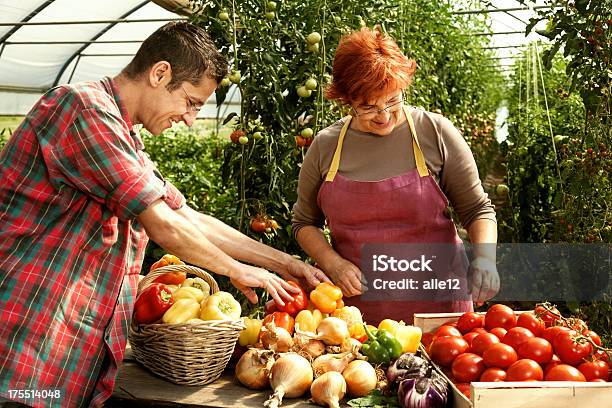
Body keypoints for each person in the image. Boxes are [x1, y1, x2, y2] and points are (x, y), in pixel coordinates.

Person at [0, 21, 327, 408]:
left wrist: (285, 263)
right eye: (191, 102)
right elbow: (162, 223)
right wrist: (237, 270)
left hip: (62, 346)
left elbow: (187, 216)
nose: (189, 119)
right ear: (160, 73)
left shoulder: (126, 136)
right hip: (26, 340)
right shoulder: (82, 108)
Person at [292, 27, 500, 325]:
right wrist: (332, 263)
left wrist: (485, 259)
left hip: (439, 308)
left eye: (392, 100)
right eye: (368, 106)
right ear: (346, 100)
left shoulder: (435, 132)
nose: (384, 115)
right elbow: (303, 223)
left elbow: (477, 209)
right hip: (355, 316)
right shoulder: (326, 146)